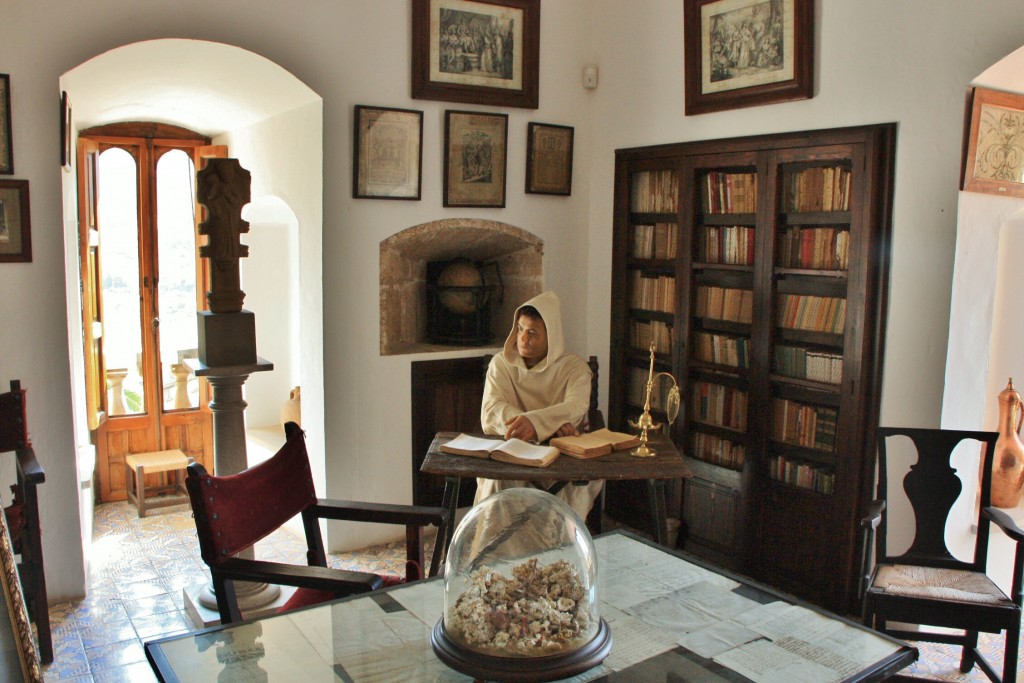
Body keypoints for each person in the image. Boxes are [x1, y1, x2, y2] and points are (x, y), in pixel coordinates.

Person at [474, 290, 603, 521]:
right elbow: (491, 410)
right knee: (497, 483)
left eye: (532, 332)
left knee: (578, 482)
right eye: (520, 329)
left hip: (558, 455)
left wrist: (534, 424)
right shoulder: (501, 364)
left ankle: (557, 553)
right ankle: (499, 554)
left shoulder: (574, 368)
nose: (523, 339)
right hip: (512, 453)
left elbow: (576, 406)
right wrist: (537, 425)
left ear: (551, 335)